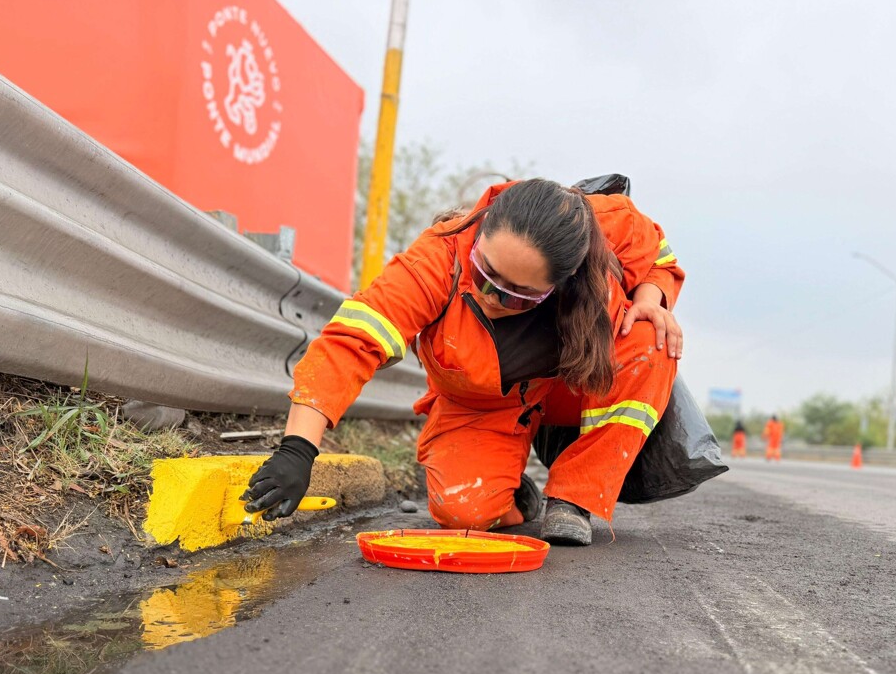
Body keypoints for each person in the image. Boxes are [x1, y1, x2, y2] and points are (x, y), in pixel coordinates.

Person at [244, 178, 685, 546]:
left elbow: (659, 256)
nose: (491, 298)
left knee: (651, 336)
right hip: (485, 406)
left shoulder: (604, 225)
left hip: (573, 388)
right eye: (484, 273)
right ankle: (513, 492)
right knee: (463, 513)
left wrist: (650, 299)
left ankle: (575, 497)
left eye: (517, 295)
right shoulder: (439, 257)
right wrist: (298, 449)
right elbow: (351, 342)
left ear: (566, 278)